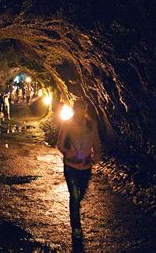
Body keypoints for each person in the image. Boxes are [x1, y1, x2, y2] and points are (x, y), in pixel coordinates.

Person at [56, 101, 101, 239]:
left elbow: (96, 142)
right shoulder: (68, 124)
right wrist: (68, 153)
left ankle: (75, 213)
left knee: (81, 195)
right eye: (77, 108)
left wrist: (96, 157)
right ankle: (76, 227)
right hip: (71, 166)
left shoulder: (91, 124)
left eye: (81, 108)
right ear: (74, 109)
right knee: (74, 196)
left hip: (86, 166)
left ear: (85, 109)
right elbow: (60, 144)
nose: (79, 111)